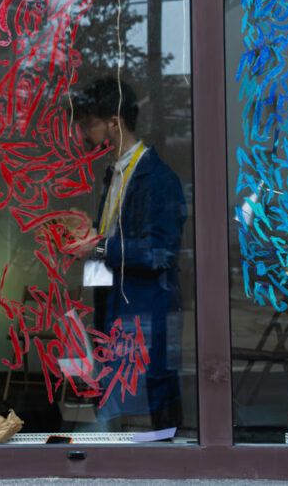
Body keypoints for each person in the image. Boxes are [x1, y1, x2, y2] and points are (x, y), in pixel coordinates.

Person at [70, 77, 187, 430]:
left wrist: (97, 245)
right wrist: (87, 238)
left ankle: (159, 454)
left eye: (88, 125)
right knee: (119, 404)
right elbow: (113, 240)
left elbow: (160, 251)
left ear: (114, 123)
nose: (84, 135)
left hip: (143, 312)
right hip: (118, 310)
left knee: (145, 406)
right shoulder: (117, 172)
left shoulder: (157, 178)